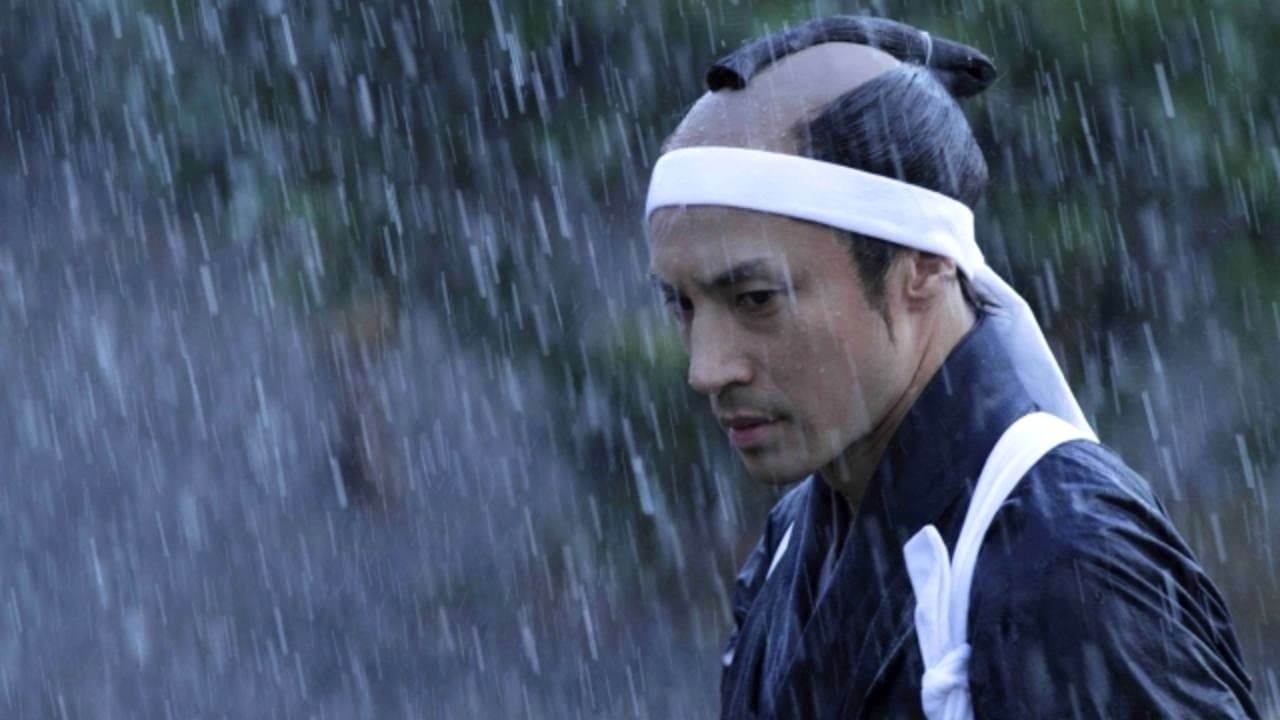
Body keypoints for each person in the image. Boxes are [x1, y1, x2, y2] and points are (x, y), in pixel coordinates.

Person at [644, 16, 1259, 719]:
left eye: (756, 298)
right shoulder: (793, 544)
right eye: (681, 304)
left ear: (923, 266)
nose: (706, 369)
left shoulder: (1070, 561)